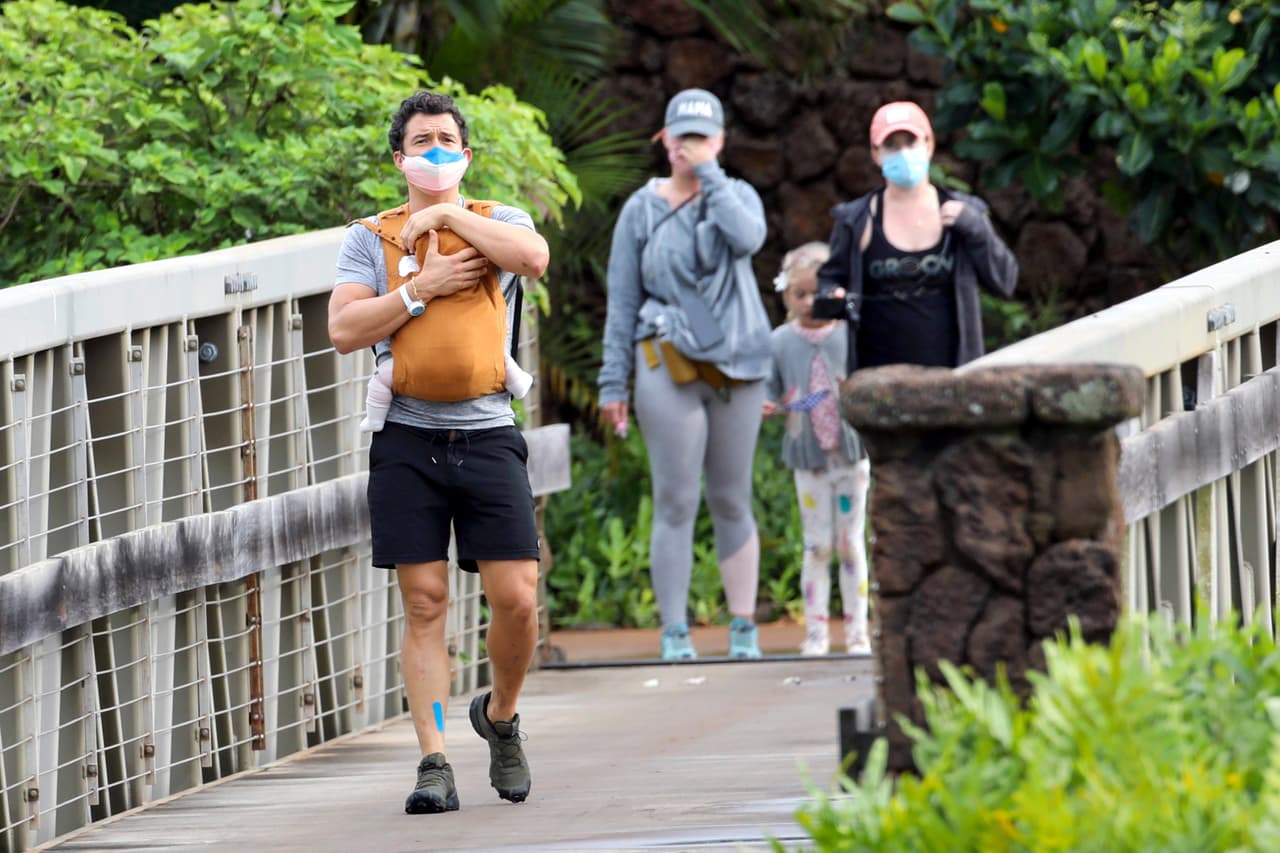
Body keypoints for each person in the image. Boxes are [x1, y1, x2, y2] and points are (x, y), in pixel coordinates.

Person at [327, 90, 549, 815]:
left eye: (447, 140)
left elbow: (534, 259)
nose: (434, 151)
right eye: (420, 142)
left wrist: (449, 215)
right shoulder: (370, 236)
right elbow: (345, 327)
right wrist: (419, 288)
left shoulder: (497, 222)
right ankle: (435, 757)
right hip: (408, 438)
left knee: (516, 597)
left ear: (467, 153)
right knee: (424, 603)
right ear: (399, 158)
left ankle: (502, 715)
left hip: (487, 431)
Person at [598, 88, 773, 661]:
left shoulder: (736, 195)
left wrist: (712, 177)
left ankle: (742, 626)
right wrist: (611, 383)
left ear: (719, 142)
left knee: (731, 495)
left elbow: (748, 239)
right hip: (665, 357)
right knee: (675, 497)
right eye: (680, 136)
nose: (688, 146)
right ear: (662, 139)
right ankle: (675, 631)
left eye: (700, 137)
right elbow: (621, 301)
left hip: (737, 361)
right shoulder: (640, 209)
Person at [817, 101, 1019, 371]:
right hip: (877, 381)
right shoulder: (856, 219)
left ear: (929, 144)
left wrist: (976, 229)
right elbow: (827, 290)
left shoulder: (965, 214)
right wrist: (834, 297)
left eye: (910, 142)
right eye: (891, 145)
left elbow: (1006, 283)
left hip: (952, 377)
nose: (903, 153)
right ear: (876, 154)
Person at [763, 242, 870, 656]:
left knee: (850, 543)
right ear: (786, 296)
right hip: (808, 459)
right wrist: (769, 405)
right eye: (799, 294)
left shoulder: (849, 334)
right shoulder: (781, 341)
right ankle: (817, 633)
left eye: (816, 293)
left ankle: (858, 631)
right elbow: (769, 390)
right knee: (816, 545)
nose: (809, 302)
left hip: (851, 455)